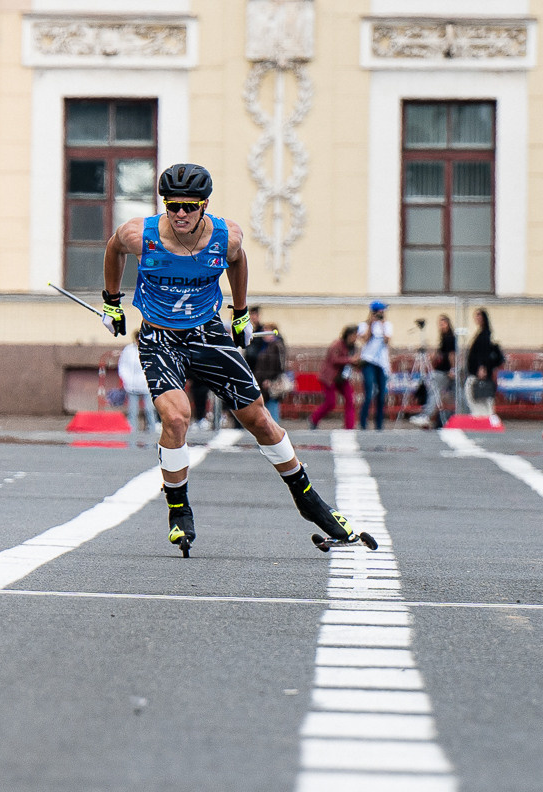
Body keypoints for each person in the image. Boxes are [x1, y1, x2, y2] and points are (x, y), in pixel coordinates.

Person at [98, 163, 372, 556]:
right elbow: (113, 249)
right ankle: (179, 509)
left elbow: (238, 261)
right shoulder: (139, 235)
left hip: (207, 331)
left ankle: (308, 498)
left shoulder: (225, 237)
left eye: (189, 207)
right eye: (172, 206)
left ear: (204, 205)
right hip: (159, 336)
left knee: (258, 418)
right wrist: (112, 303)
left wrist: (240, 313)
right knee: (176, 417)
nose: (179, 214)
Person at [309, 326, 359, 430]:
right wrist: (350, 359)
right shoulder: (337, 345)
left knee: (350, 400)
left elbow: (353, 361)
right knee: (330, 403)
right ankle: (314, 419)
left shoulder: (353, 347)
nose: (355, 338)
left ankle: (349, 427)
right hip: (330, 377)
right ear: (348, 335)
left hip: (343, 378)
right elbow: (334, 359)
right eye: (354, 335)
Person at [355, 300, 394, 431]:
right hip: (368, 361)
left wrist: (382, 325)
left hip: (382, 363)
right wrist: (371, 324)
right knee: (369, 392)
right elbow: (364, 340)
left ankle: (379, 424)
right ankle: (363, 421)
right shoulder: (364, 325)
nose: (381, 314)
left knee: (381, 394)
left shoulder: (387, 325)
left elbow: (387, 340)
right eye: (379, 312)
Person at [414, 314, 457, 429]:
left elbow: (452, 355)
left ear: (448, 324)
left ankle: (427, 415)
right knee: (435, 392)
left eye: (443, 323)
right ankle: (432, 416)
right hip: (441, 370)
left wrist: (453, 369)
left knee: (433, 391)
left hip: (444, 371)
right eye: (439, 324)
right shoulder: (444, 338)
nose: (441, 326)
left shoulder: (449, 338)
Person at [245, 311, 287, 423]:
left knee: (272, 405)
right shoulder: (267, 346)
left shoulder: (275, 346)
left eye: (267, 331)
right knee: (268, 405)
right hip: (265, 381)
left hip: (270, 382)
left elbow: (277, 365)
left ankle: (274, 428)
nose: (264, 333)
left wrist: (270, 379)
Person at [465, 308, 503, 416]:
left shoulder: (485, 334)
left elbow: (483, 352)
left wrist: (482, 367)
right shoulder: (482, 333)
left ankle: (482, 416)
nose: (477, 318)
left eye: (479, 316)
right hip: (479, 370)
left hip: (480, 371)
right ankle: (486, 415)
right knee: (482, 396)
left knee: (476, 394)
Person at [118, 339, 154, 432]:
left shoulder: (150, 348)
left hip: (147, 385)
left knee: (149, 410)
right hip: (132, 386)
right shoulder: (129, 350)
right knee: (133, 412)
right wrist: (126, 379)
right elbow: (123, 365)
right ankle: (132, 437)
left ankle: (152, 435)